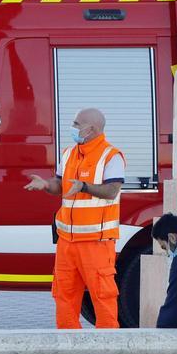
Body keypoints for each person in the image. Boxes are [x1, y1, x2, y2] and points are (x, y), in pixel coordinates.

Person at [25, 107, 124, 329]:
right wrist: (45, 185)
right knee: (64, 296)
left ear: (91, 129)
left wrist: (84, 186)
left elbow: (111, 191)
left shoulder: (111, 156)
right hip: (67, 242)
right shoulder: (69, 153)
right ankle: (68, 348)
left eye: (77, 124)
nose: (73, 127)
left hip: (96, 243)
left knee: (102, 297)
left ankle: (109, 350)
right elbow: (59, 185)